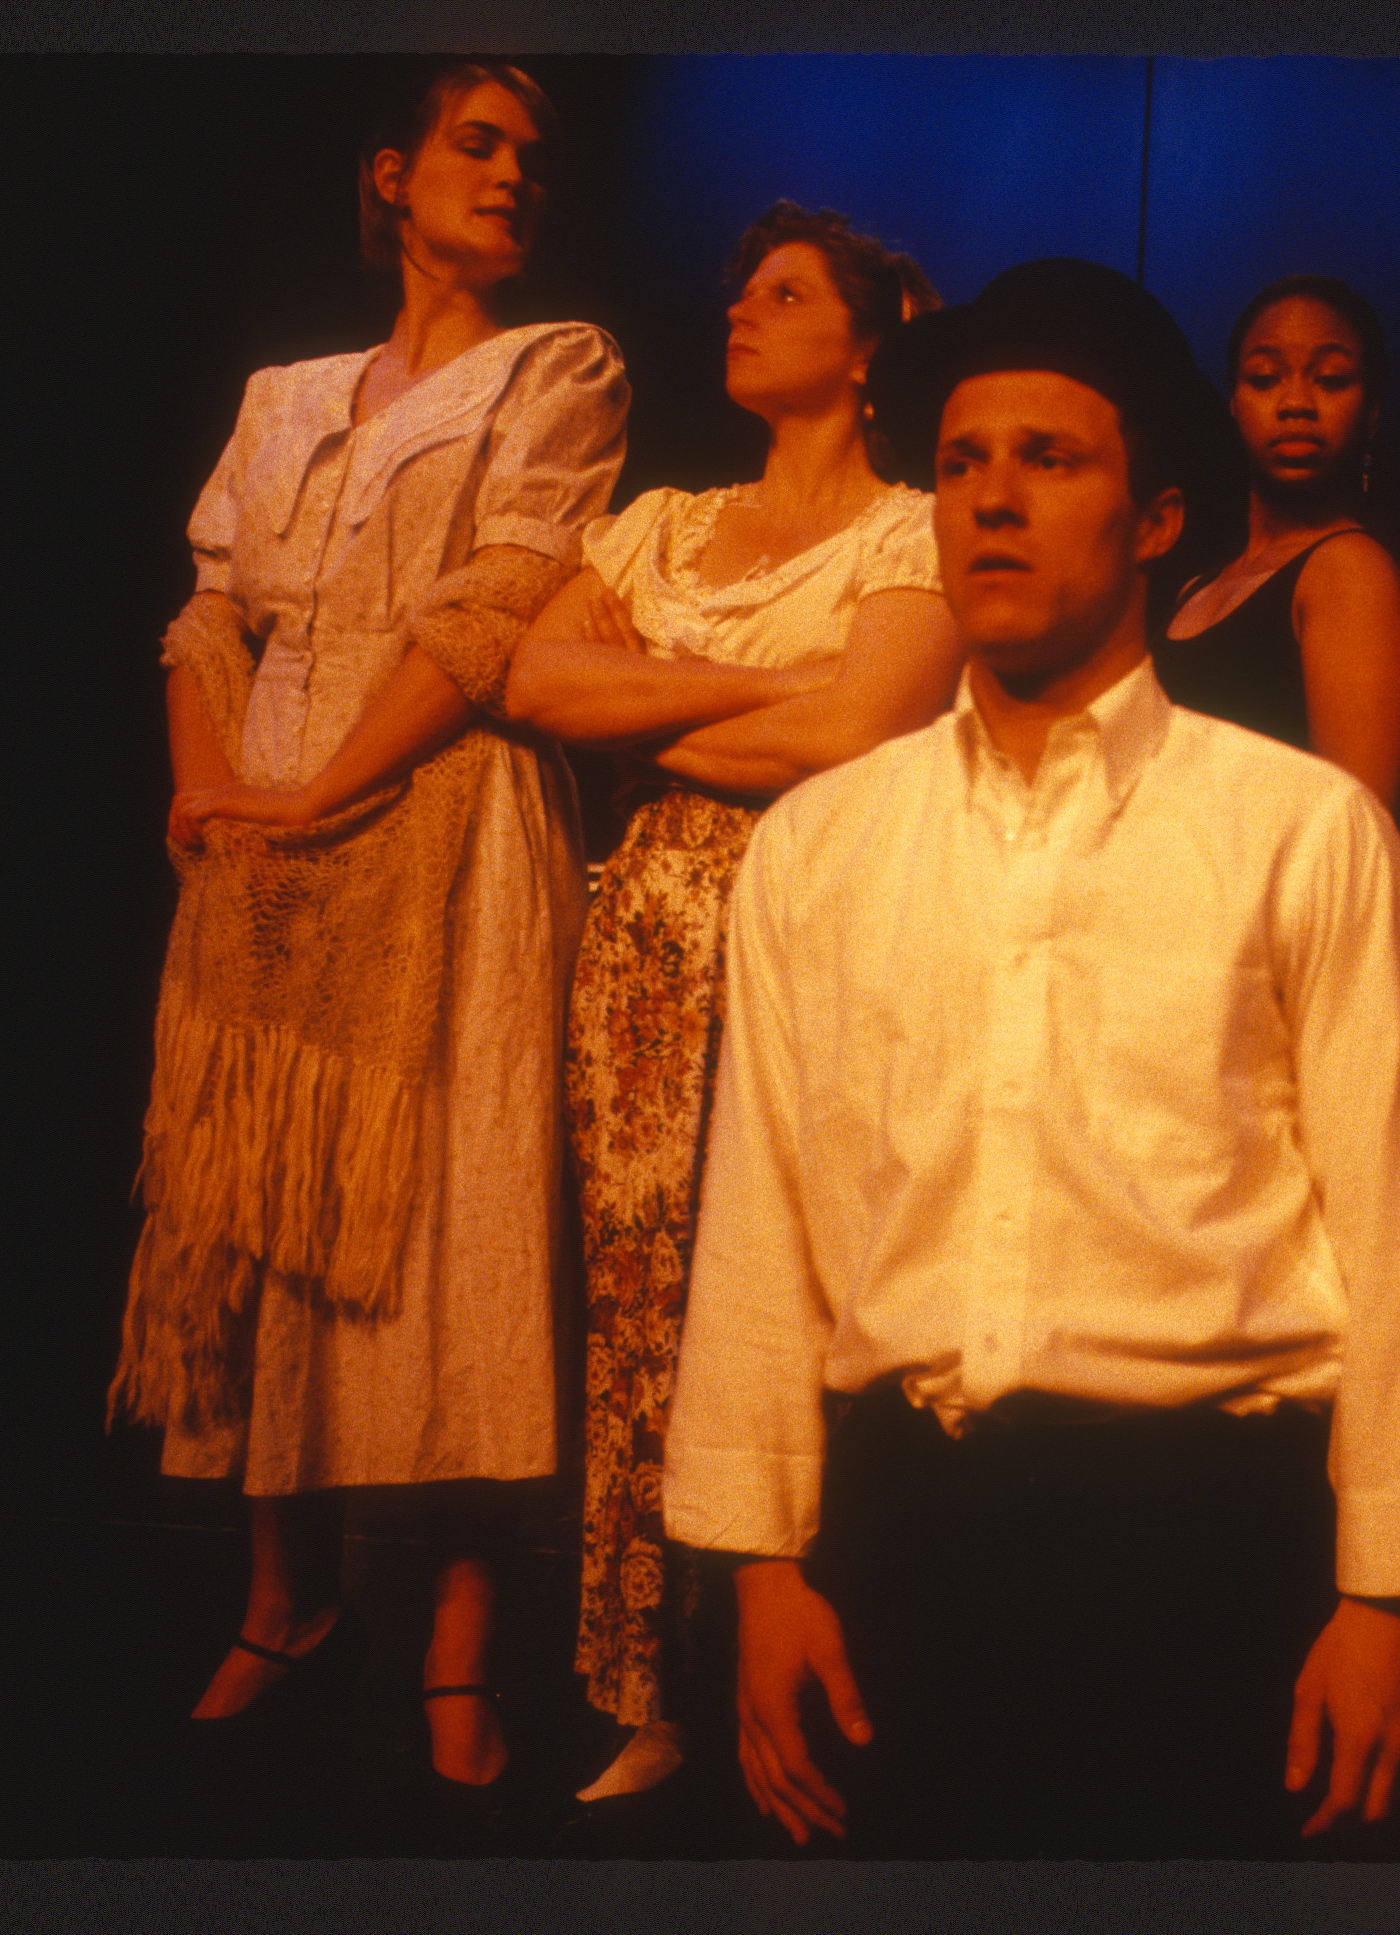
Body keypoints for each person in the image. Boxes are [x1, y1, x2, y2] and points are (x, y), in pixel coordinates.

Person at [658, 257, 1400, 1858]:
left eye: (1049, 458)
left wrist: (1389, 1593)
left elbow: (1399, 1224)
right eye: (962, 463)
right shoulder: (821, 845)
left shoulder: (1301, 830)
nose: (993, 499)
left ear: (1158, 517)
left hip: (1205, 1549)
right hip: (907, 1538)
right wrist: (757, 1567)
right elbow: (759, 1223)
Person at [110, 60, 627, 1806]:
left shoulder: (557, 367)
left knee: (459, 1221)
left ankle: (459, 1644)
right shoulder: (284, 394)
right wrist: (212, 790)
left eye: (535, 155)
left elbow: (493, 609)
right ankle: (284, 1598)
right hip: (268, 827)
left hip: (445, 813)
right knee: (262, 1196)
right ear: (392, 173)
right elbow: (209, 615)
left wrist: (318, 786)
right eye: (479, 143)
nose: (514, 172)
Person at [496, 203, 961, 1805]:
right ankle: (653, 1687)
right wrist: (779, 690)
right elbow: (538, 684)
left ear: (869, 339)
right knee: (642, 1307)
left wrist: (652, 707)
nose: (741, 313)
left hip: (822, 929)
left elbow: (858, 740)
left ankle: (824, 1658)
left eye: (784, 292)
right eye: (738, 292)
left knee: (805, 1290)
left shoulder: (913, 531)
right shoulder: (661, 525)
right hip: (643, 943)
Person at [1152, 274, 1400, 806]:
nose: (1296, 402)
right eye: (1265, 378)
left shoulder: (1350, 571)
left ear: (1371, 412)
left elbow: (1352, 831)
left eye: (1331, 379)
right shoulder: (1195, 588)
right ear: (1234, 402)